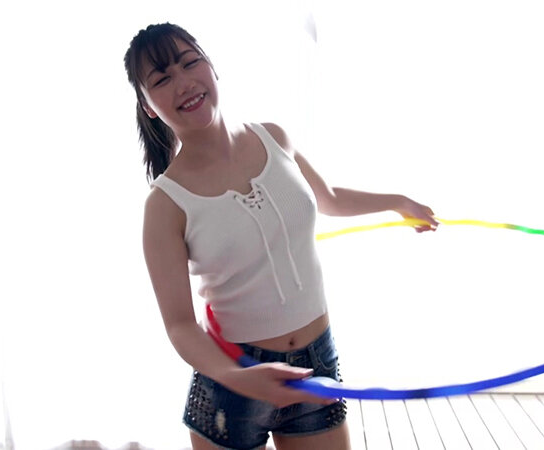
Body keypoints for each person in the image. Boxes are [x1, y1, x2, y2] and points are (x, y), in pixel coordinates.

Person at [125, 22, 437, 450]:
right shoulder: (165, 205)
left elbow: (328, 198)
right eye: (162, 79)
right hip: (232, 381)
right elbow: (180, 325)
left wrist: (397, 201)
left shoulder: (274, 137)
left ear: (211, 67)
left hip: (315, 362)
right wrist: (238, 376)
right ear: (148, 106)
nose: (184, 83)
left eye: (190, 63)